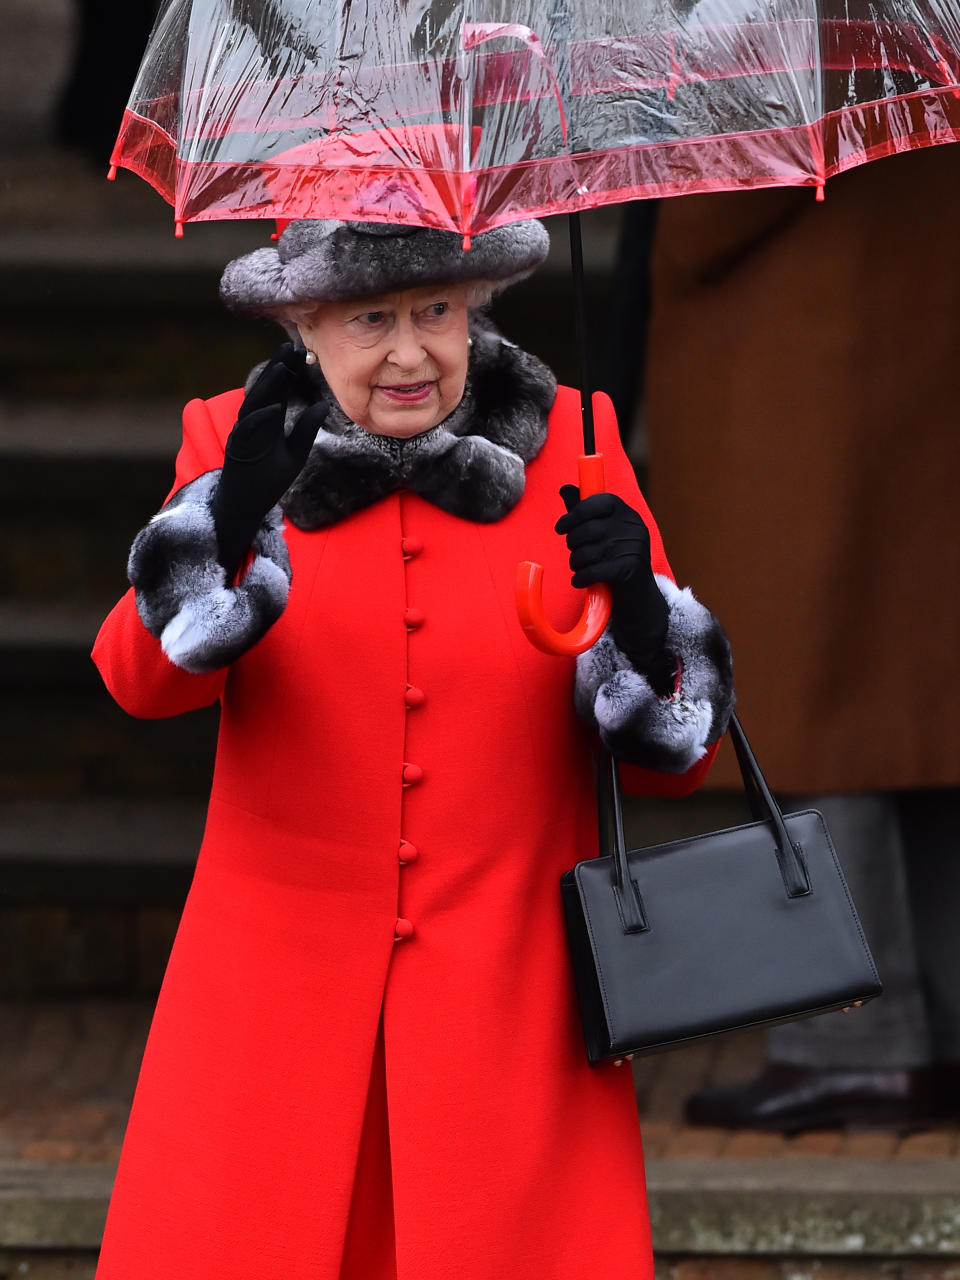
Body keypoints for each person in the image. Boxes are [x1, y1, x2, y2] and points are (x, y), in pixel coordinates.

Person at [91, 216, 734, 1279]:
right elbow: (137, 680)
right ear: (303, 322)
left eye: (437, 310)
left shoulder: (575, 439)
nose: (409, 352)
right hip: (273, 996)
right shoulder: (228, 438)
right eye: (370, 318)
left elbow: (682, 749)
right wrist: (233, 513)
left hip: (512, 998)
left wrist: (640, 606)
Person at [639, 145, 960, 1131]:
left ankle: (857, 1042)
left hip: (802, 349)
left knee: (810, 694)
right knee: (908, 702)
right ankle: (936, 1029)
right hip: (902, 324)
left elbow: (729, 183)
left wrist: (658, 188)